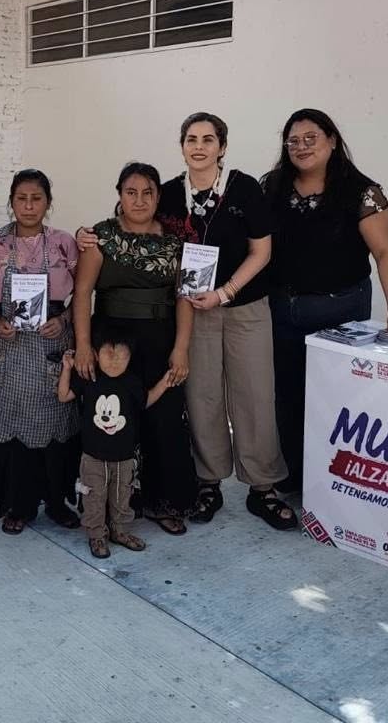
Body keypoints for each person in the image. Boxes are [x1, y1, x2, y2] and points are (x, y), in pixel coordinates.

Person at [263, 108, 388, 492]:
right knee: (287, 396)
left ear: (332, 140)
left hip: (340, 313)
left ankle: (334, 484)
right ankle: (295, 477)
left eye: (311, 138)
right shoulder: (271, 187)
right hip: (281, 313)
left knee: (336, 400)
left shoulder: (363, 192)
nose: (301, 147)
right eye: (293, 141)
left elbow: (386, 252)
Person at [159, 113, 295, 530]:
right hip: (191, 312)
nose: (199, 146)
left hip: (244, 307)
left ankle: (263, 488)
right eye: (191, 139)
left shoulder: (244, 188)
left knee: (255, 394)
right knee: (202, 397)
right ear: (181, 145)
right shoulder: (167, 194)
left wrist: (225, 292)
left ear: (222, 146)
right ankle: (208, 482)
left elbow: (262, 253)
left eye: (208, 139)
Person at [72, 162, 197, 535]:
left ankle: (165, 501)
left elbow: (185, 296)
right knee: (112, 422)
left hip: (161, 338)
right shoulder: (100, 237)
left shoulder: (176, 241)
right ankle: (108, 504)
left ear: (159, 196)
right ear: (119, 196)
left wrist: (182, 348)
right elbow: (82, 295)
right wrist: (82, 345)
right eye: (131, 192)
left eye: (147, 192)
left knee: (164, 420)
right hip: (111, 343)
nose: (139, 200)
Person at [0, 169, 80, 534]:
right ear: (11, 201)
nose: (29, 205)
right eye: (22, 198)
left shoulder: (64, 244)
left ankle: (57, 499)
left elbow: (83, 290)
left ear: (48, 203)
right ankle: (15, 501)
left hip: (52, 342)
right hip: (9, 344)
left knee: (55, 421)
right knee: (9, 421)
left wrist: (63, 323)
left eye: (37, 198)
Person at [57, 325, 175, 559]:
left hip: (124, 456)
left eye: (121, 356)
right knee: (94, 497)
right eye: (108, 355)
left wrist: (165, 382)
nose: (114, 362)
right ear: (95, 353)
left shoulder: (132, 382)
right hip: (92, 455)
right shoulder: (88, 376)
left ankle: (120, 531)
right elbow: (63, 396)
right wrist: (67, 369)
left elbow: (146, 401)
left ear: (130, 357)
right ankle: (96, 535)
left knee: (123, 496)